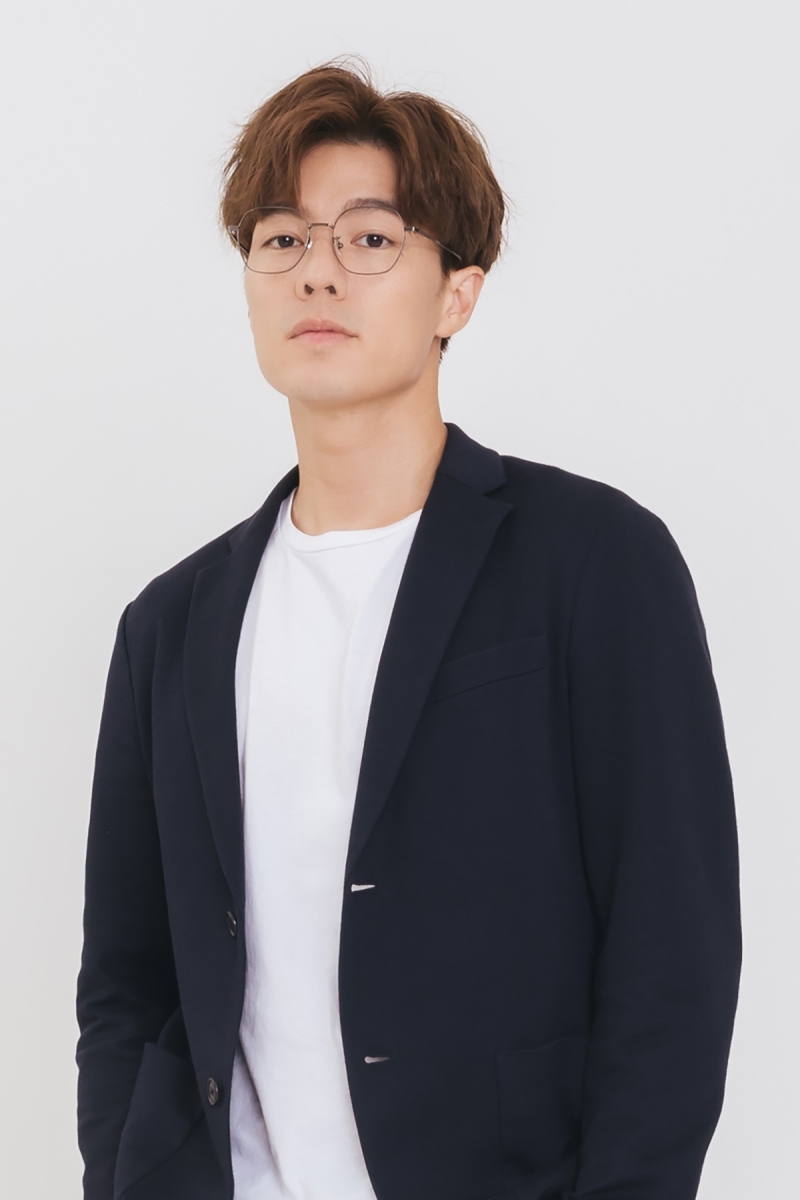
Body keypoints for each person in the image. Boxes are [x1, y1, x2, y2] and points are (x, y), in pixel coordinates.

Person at [75, 61, 741, 1200]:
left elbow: (671, 953)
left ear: (456, 295)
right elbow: (126, 983)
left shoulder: (592, 562)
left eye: (370, 238)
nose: (316, 270)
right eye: (281, 239)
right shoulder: (170, 625)